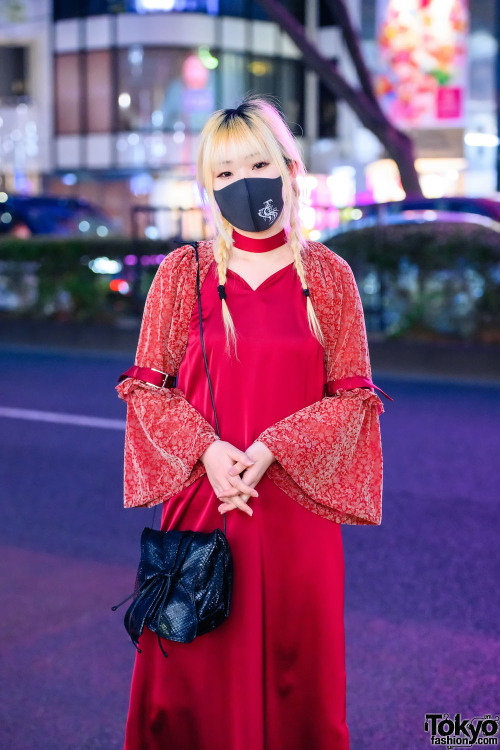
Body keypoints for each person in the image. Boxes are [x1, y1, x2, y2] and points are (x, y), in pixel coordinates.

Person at [115, 95, 392, 750]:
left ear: (290, 168)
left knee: (301, 687)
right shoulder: (184, 274)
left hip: (298, 522)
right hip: (205, 512)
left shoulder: (327, 277)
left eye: (259, 164)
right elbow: (146, 389)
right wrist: (208, 452)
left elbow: (353, 396)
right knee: (193, 692)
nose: (246, 185)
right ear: (209, 187)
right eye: (226, 175)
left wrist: (271, 446)